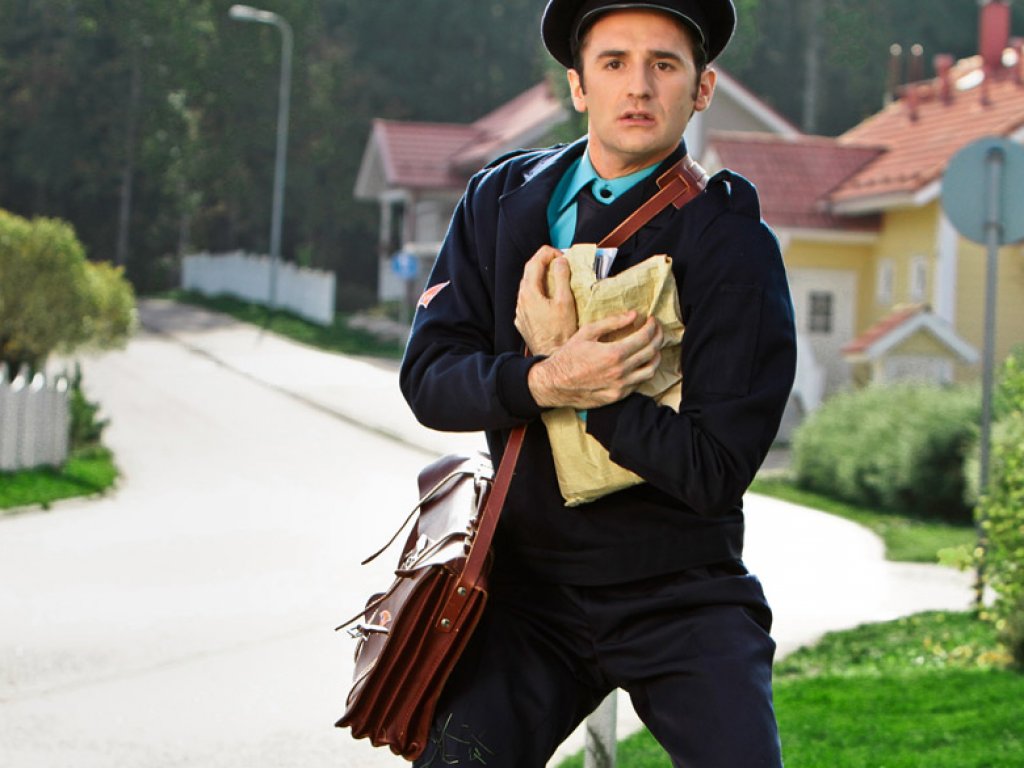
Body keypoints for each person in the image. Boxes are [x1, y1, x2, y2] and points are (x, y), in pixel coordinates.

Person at [398, 1, 796, 765]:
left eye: (664, 64)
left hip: (681, 592)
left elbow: (714, 471)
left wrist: (589, 384)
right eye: (614, 63)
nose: (638, 86)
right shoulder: (499, 201)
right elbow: (430, 381)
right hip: (525, 594)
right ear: (578, 85)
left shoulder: (733, 244)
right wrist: (548, 377)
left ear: (702, 88)